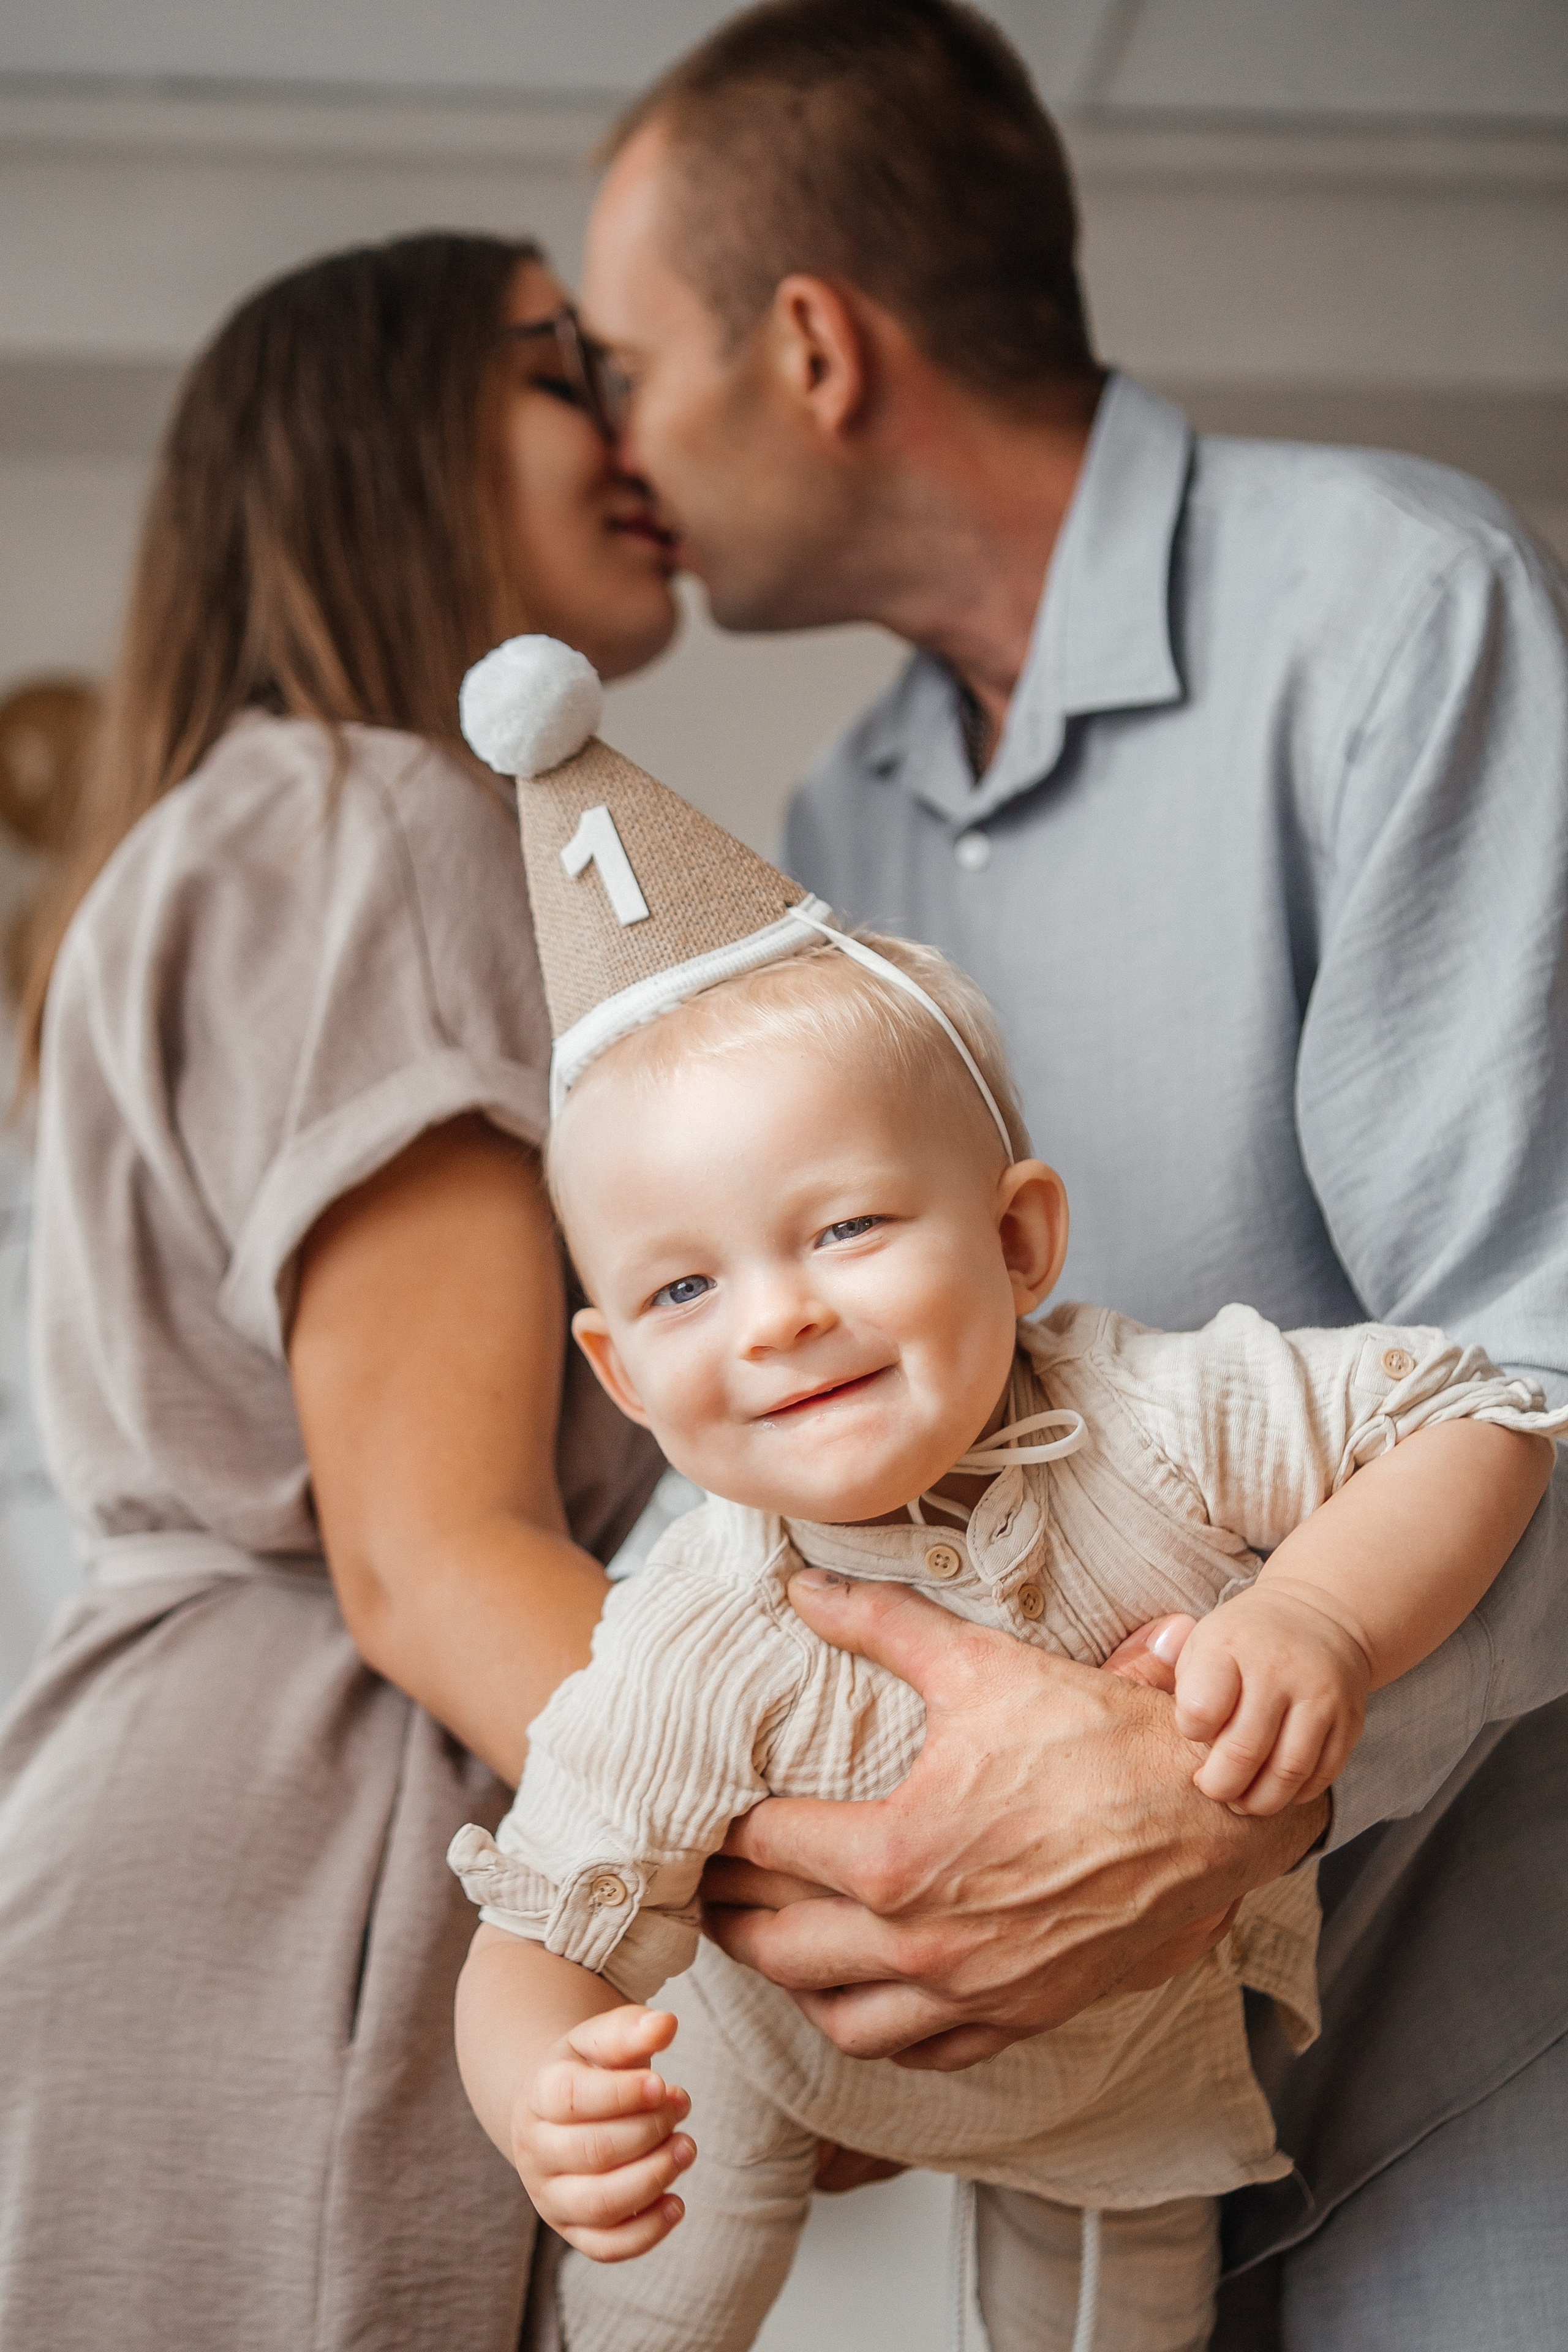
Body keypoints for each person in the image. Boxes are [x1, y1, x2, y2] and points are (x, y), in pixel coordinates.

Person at [577, 2, 1568, 2341]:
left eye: (624, 366)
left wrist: (1205, 1789)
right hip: (1067, 2113)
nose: (622, 452)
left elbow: (1545, 1352)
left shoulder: (1399, 620)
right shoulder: (832, 835)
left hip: (1478, 2041)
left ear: (810, 347)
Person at [438, 643, 1559, 2352]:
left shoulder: (1163, 1418)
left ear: (1018, 1239)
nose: (781, 1314)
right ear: (618, 1374)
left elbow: (1482, 1415)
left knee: (1118, 2321)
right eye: (683, 1292)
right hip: (762, 2063)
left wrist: (1320, 1609)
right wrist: (546, 2093)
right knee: (658, 2305)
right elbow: (539, 1931)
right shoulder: (686, 1638)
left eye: (845, 1229)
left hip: (1116, 2083)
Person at [0, 233, 677, 2352]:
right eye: (570, 362)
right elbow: (430, 1550)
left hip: (202, 1845)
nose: (637, 414)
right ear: (389, 424)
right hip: (303, 1861)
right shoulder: (382, 826)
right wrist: (874, 1872)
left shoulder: (247, 825)